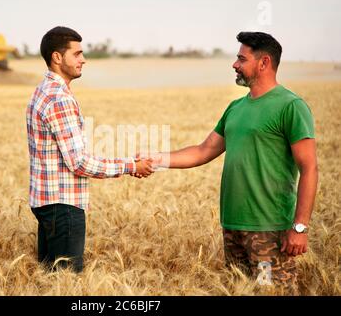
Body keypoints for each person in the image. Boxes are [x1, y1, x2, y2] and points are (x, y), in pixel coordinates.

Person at [148, 32, 318, 292]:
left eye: (241, 58)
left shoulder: (291, 106)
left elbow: (309, 169)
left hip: (269, 230)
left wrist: (300, 227)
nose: (234, 64)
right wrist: (156, 160)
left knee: (269, 291)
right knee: (238, 289)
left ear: (264, 63)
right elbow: (204, 150)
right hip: (233, 227)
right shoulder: (235, 108)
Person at [26, 26, 154, 273]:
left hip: (46, 202)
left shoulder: (43, 90)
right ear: (57, 57)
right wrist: (131, 165)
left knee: (50, 279)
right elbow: (79, 163)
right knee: (67, 283)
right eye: (77, 53)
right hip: (63, 206)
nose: (83, 59)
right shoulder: (59, 98)